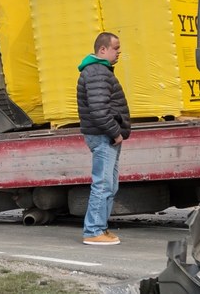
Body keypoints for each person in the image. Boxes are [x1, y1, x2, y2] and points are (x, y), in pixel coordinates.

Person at [77, 32, 129, 246]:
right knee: (103, 184)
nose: (119, 53)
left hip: (103, 135)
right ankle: (93, 231)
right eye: (116, 48)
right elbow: (99, 110)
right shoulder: (97, 72)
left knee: (109, 185)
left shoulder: (99, 71)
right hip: (102, 136)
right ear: (102, 50)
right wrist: (115, 132)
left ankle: (100, 228)